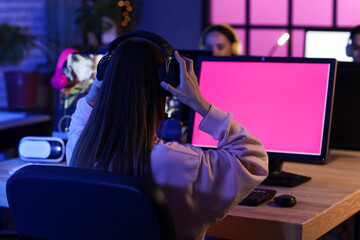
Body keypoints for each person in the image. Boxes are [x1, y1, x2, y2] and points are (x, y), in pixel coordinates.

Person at [66, 32, 268, 240]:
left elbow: (79, 125)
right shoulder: (182, 163)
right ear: (165, 84)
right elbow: (252, 160)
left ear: (104, 79)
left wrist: (90, 99)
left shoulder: (80, 151)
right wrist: (199, 102)